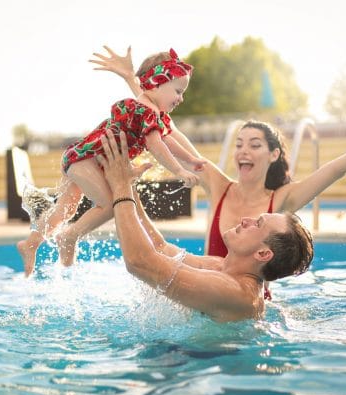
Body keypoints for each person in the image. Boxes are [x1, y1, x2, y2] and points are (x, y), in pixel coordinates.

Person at [90, 46, 346, 260]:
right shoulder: (219, 186)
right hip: (202, 297)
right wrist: (132, 81)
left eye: (253, 145)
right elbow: (166, 126)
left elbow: (338, 168)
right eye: (238, 144)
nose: (242, 152)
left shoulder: (281, 201)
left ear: (275, 154)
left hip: (244, 310)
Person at [17, 48, 205, 276]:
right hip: (87, 160)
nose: (181, 98)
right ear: (156, 83)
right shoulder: (144, 111)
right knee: (109, 206)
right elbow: (158, 146)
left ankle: (31, 243)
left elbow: (168, 140)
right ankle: (69, 237)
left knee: (66, 208)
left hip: (81, 157)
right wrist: (178, 170)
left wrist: (192, 159)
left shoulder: (151, 112)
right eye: (178, 91)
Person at [97, 130, 314, 322]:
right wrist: (128, 186)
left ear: (263, 253)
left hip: (202, 362)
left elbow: (140, 263)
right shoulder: (221, 266)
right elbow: (159, 249)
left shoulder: (234, 293)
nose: (246, 220)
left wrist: (120, 186)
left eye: (258, 224)